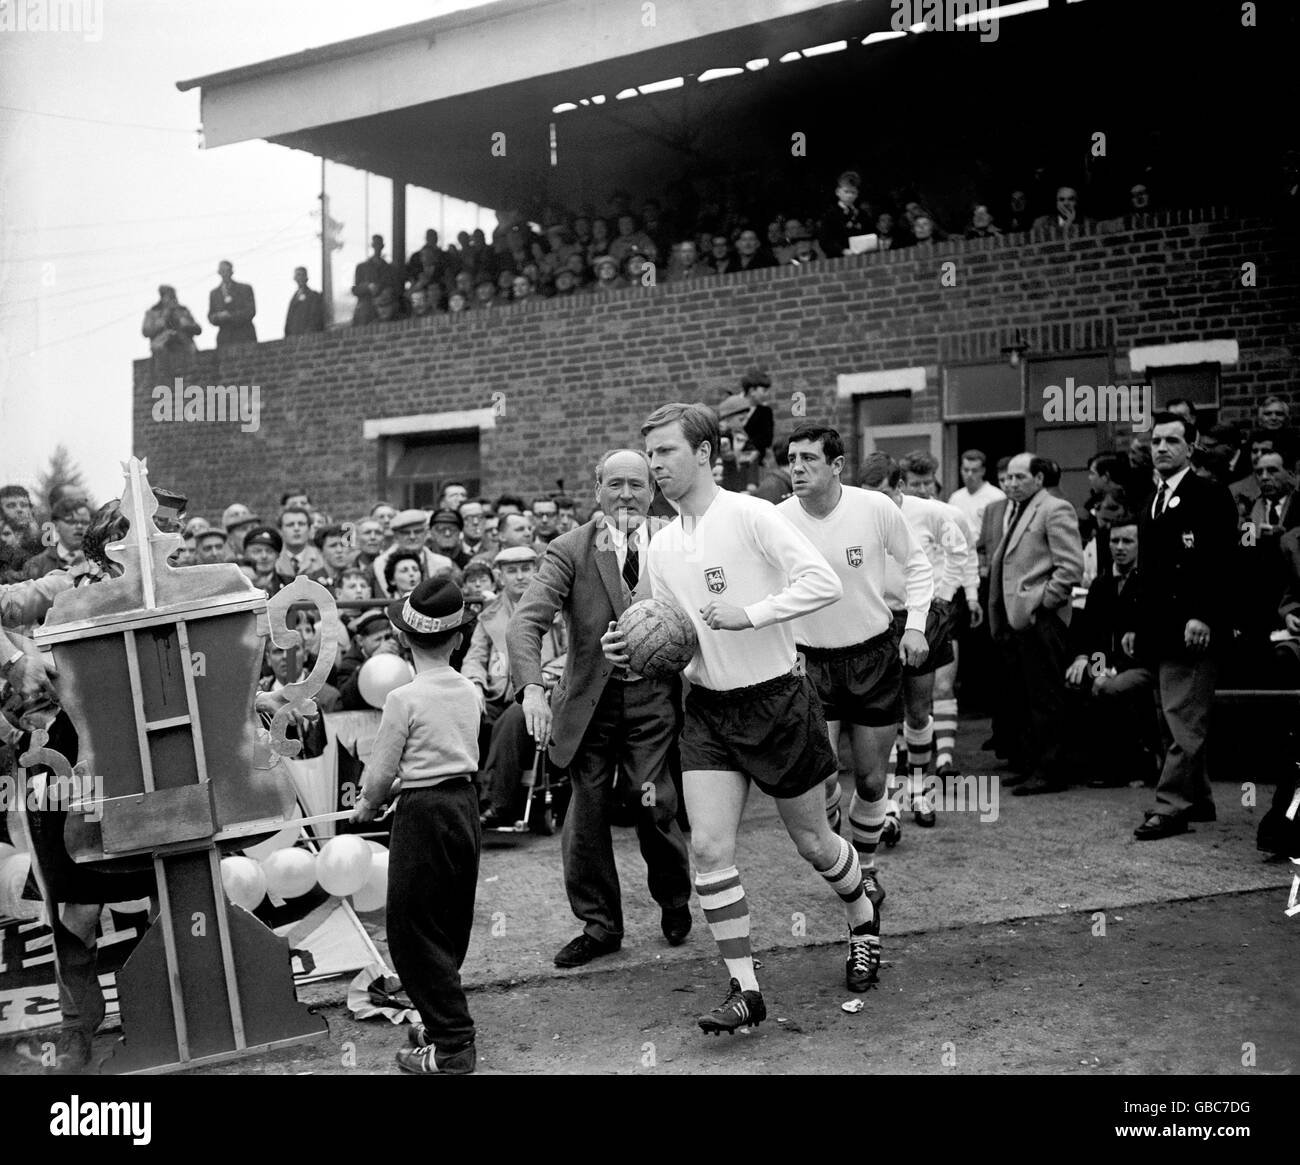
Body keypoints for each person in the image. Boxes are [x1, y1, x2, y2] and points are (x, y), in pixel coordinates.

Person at [605, 403, 884, 1036]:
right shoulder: (663, 542)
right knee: (707, 846)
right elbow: (662, 627)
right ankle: (746, 988)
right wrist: (623, 644)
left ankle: (862, 915)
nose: (655, 466)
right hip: (707, 710)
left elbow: (823, 582)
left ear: (705, 454)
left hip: (778, 703)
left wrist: (753, 613)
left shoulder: (752, 515)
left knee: (814, 844)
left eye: (666, 453)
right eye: (650, 455)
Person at [508, 449, 693, 967]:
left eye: (637, 484)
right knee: (585, 814)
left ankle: (675, 899)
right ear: (597, 491)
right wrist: (532, 690)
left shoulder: (675, 540)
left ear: (652, 491)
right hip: (589, 703)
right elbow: (525, 623)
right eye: (615, 485)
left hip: (653, 698)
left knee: (651, 800)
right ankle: (600, 926)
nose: (626, 495)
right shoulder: (569, 548)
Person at [778, 427, 933, 925]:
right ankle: (839, 858)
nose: (797, 467)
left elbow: (919, 567)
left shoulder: (875, 508)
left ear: (838, 464)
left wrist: (915, 627)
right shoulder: (776, 519)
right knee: (822, 782)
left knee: (869, 780)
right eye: (791, 459)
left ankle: (865, 867)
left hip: (872, 657)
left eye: (808, 458)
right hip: (808, 664)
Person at [349, 578, 480, 1075]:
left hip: (423, 814)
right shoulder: (468, 689)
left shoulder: (402, 698)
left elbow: (381, 773)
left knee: (410, 929)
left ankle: (452, 1044)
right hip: (463, 806)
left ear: (404, 639)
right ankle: (438, 1014)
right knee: (448, 917)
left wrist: (367, 804)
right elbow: (456, 752)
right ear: (459, 639)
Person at [1128, 413, 1239, 840]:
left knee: (1181, 717)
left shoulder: (1208, 494)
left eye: (1173, 441)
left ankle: (1171, 806)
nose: (1161, 448)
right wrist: (1138, 624)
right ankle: (1201, 799)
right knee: (1174, 717)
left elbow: (1223, 563)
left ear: (1190, 448)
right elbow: (1148, 572)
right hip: (1162, 628)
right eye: (1156, 441)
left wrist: (1204, 615)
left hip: (1194, 627)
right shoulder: (1153, 500)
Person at [860, 455, 972, 826]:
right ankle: (889, 801)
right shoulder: (856, 515)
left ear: (900, 486)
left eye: (884, 494)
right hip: (878, 622)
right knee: (883, 714)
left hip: (921, 618)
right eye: (868, 495)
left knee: (919, 709)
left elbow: (960, 551)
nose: (876, 503)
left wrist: (943, 595)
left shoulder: (934, 513)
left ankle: (920, 790)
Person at [987, 453, 1084, 795]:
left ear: (1039, 479)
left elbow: (1071, 567)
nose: (1011, 483)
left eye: (1019, 477)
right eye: (1008, 478)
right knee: (1025, 697)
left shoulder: (1054, 508)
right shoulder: (1021, 509)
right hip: (1019, 621)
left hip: (1041, 620)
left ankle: (1052, 771)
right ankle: (1032, 765)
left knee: (1047, 698)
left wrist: (1043, 603)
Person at [142, 284, 202, 380]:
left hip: (183, 341)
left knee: (192, 353)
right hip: (162, 342)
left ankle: (192, 376)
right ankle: (163, 377)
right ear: (162, 298)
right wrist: (161, 322)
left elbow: (198, 329)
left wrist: (186, 324)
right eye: (169, 297)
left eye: (173, 297)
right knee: (160, 352)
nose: (172, 300)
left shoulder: (183, 311)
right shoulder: (153, 312)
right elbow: (146, 331)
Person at [207, 260, 257, 347]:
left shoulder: (245, 289)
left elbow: (250, 311)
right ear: (218, 273)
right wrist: (218, 317)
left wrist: (230, 315)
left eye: (227, 271)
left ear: (231, 272)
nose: (225, 274)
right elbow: (211, 315)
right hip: (225, 338)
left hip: (245, 335)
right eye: (222, 271)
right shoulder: (214, 294)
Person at [352, 235, 399, 326]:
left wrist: (388, 291)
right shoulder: (362, 267)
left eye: (379, 244)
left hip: (385, 305)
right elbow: (355, 289)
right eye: (375, 244)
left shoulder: (389, 269)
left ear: (382, 246)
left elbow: (396, 288)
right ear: (372, 245)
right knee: (363, 311)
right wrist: (368, 287)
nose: (377, 247)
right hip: (368, 305)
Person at [284, 266, 325, 336]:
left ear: (306, 278)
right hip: (293, 339)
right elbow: (289, 320)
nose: (299, 278)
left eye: (301, 275)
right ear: (294, 278)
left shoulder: (313, 296)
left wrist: (309, 333)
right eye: (297, 275)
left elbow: (315, 318)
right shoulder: (293, 299)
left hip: (307, 338)